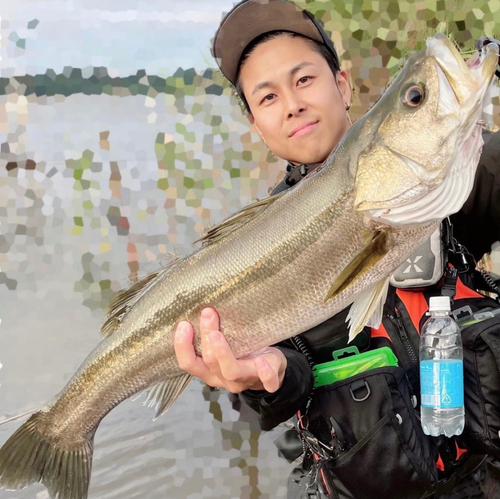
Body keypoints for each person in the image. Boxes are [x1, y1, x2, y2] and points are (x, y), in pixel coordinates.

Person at [173, 0, 500, 497]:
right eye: (266, 97)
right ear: (256, 127)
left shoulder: (453, 175)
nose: (292, 103)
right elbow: (284, 387)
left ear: (342, 85)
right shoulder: (253, 249)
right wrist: (269, 379)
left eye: (303, 79)